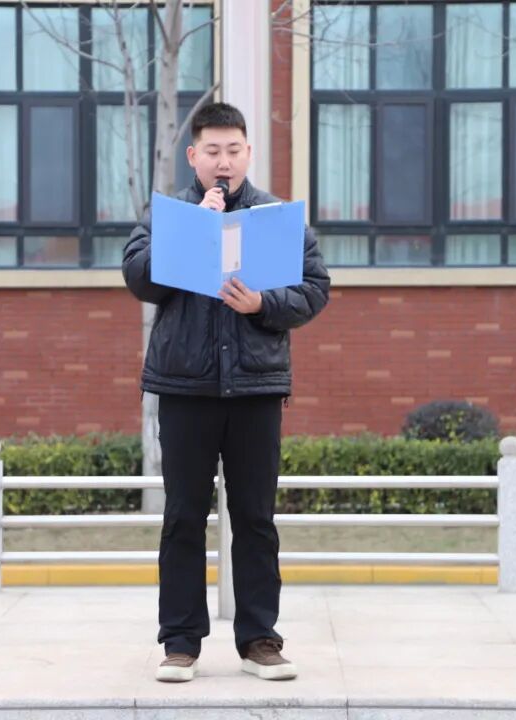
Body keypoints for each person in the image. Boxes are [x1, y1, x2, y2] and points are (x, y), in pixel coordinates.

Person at [122, 102, 330, 683]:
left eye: (233, 150)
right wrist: (193, 229)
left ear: (247, 153)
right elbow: (137, 277)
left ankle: (260, 639)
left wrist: (263, 304)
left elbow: (315, 289)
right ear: (193, 156)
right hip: (185, 387)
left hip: (256, 388)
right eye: (212, 151)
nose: (223, 161)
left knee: (255, 517)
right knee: (183, 517)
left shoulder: (275, 218)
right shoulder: (169, 216)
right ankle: (180, 642)